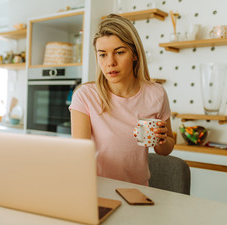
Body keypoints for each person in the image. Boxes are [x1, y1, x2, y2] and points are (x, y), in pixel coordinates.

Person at [69, 14, 175, 186]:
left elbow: (165, 150)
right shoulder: (85, 96)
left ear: (134, 54)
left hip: (137, 190)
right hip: (96, 187)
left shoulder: (156, 94)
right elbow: (79, 155)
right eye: (102, 55)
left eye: (119, 52)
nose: (110, 62)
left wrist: (162, 138)